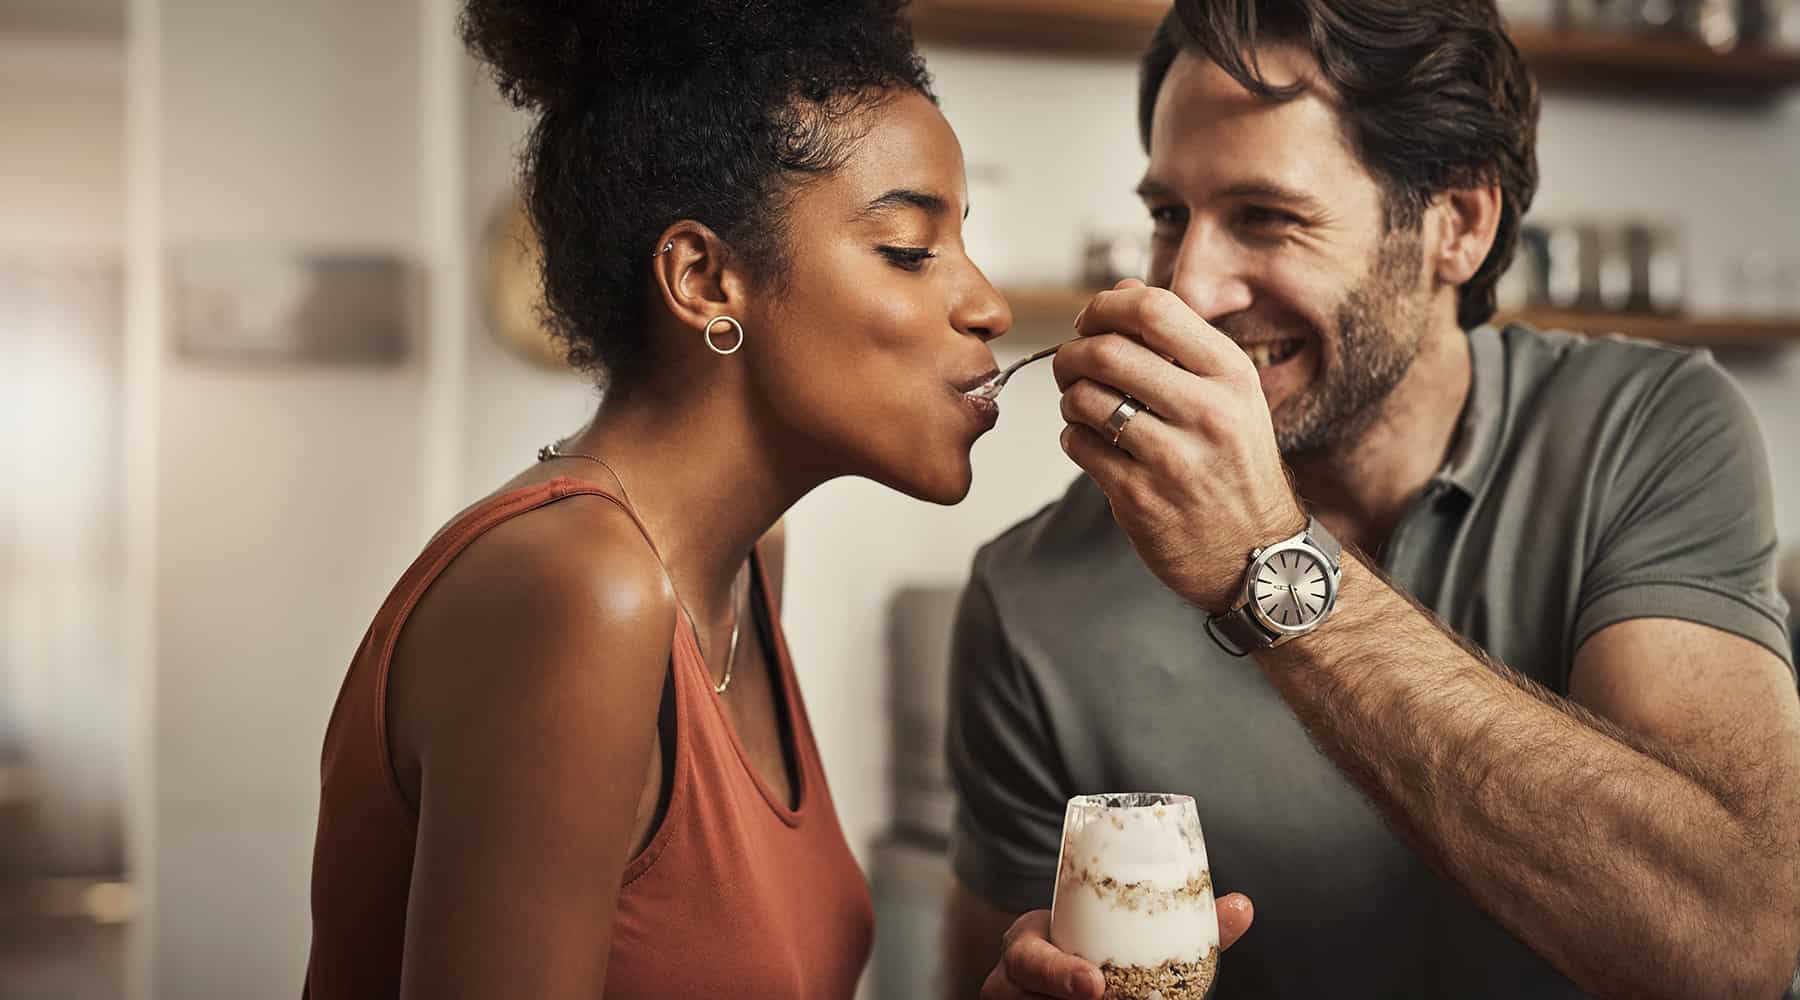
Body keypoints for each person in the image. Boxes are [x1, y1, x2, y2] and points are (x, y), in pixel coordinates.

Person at [950, 2, 1800, 998]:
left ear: (1459, 226)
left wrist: (1265, 559)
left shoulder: (1649, 430)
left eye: (1266, 216)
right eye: (1170, 215)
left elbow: (1733, 945)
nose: (1192, 287)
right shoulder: (1027, 597)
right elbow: (987, 971)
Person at [299, 1, 1054, 996]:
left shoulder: (743, 563)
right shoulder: (580, 592)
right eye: (911, 251)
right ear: (704, 279)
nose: (988, 304)